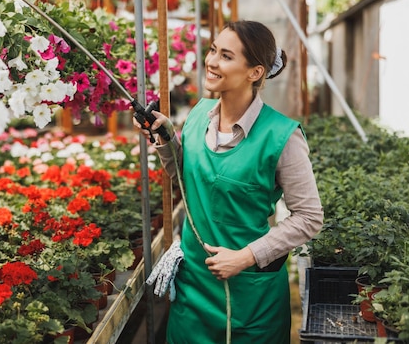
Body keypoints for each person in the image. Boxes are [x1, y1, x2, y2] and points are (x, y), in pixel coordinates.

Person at [134, 20, 323, 343]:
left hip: (249, 298)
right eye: (212, 51)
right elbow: (186, 179)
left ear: (255, 72)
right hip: (193, 289)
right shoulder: (198, 115)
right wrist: (166, 139)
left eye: (226, 55)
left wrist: (246, 256)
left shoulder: (281, 136)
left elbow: (309, 218)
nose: (211, 61)